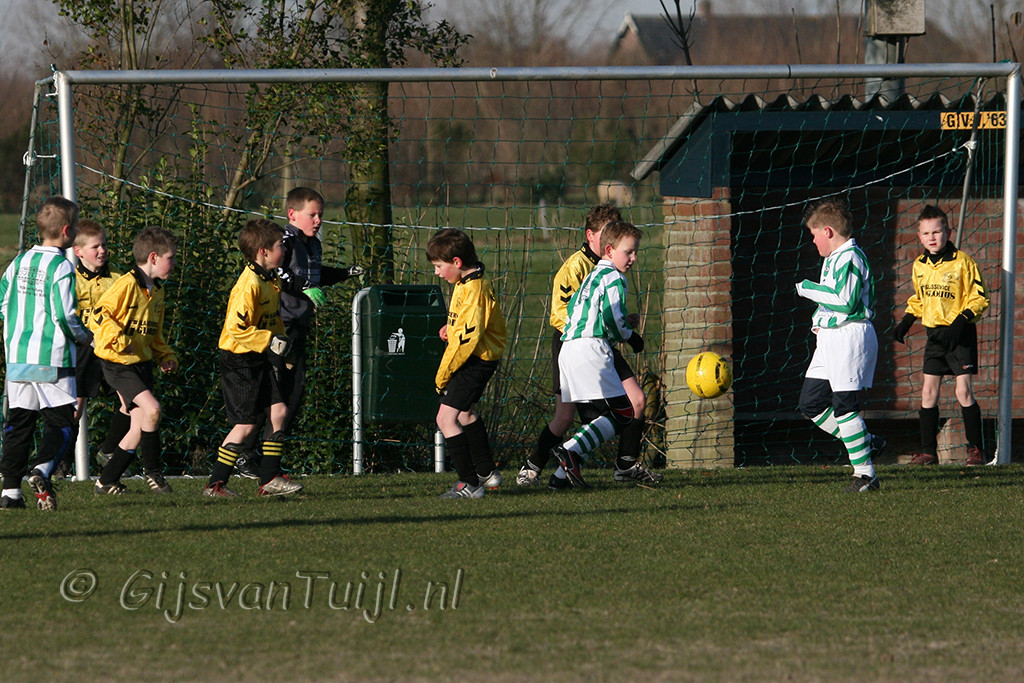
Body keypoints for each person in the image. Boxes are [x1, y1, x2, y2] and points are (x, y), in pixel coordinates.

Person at [516, 205, 659, 489]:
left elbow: (603, 310)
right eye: (607, 232)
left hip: (599, 341)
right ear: (593, 236)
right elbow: (561, 314)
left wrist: (617, 322)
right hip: (576, 341)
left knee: (635, 401)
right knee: (570, 416)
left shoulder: (608, 267)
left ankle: (624, 464)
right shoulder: (578, 268)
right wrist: (620, 330)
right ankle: (534, 468)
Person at [233, 187, 363, 479]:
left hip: (299, 327)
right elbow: (279, 273)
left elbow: (314, 275)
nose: (318, 220)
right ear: (292, 214)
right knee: (276, 394)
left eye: (321, 215)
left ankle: (264, 457)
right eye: (312, 214)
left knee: (292, 394)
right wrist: (303, 287)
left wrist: (344, 273)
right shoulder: (285, 242)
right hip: (279, 329)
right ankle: (247, 455)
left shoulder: (312, 244)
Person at [0, 196, 92, 510]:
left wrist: (16, 328)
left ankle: (10, 493)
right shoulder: (62, 266)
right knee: (64, 421)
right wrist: (84, 337)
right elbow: (64, 314)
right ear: (67, 231)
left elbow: (3, 301)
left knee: (19, 422)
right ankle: (42, 469)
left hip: (18, 356)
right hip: (51, 358)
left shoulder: (20, 261)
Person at [204, 219, 303, 498]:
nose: (284, 250)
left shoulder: (270, 279)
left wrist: (284, 348)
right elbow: (236, 329)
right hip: (239, 360)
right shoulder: (248, 285)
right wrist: (270, 341)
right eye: (279, 246)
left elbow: (272, 320)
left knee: (278, 412)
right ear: (263, 251)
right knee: (246, 425)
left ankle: (270, 479)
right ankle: (215, 484)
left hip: (258, 356)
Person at [545, 220, 646, 489]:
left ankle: (559, 478)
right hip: (590, 349)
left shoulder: (592, 276)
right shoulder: (615, 278)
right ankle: (570, 451)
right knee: (624, 413)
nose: (633, 258)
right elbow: (612, 318)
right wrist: (631, 337)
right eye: (628, 252)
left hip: (569, 349)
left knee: (604, 416)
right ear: (610, 250)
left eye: (635, 252)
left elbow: (580, 312)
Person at [795, 198, 885, 492]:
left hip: (849, 336)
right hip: (828, 338)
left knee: (845, 406)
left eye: (814, 234)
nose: (813, 241)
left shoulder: (850, 257)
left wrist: (808, 288)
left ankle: (866, 475)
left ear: (828, 231)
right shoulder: (833, 258)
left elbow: (845, 302)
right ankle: (867, 442)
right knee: (811, 403)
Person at [892, 205, 990, 466]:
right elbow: (920, 298)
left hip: (960, 336)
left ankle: (976, 450)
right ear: (919, 236)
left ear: (947, 232)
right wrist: (906, 322)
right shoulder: (920, 265)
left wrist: (961, 320)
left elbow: (980, 297)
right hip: (935, 337)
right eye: (926, 233)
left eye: (937, 231)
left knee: (963, 391)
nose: (932, 237)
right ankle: (928, 453)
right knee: (928, 393)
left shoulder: (963, 262)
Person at [92, 226, 178, 495]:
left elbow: (154, 333)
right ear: (153, 257)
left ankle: (106, 481)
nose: (174, 263)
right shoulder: (127, 284)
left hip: (140, 363)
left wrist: (165, 355)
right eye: (171, 258)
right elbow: (98, 315)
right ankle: (153, 471)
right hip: (119, 362)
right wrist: (119, 339)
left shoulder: (158, 290)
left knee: (140, 425)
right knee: (153, 410)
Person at [427, 228, 506, 499]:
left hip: (474, 360)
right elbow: (468, 324)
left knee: (444, 418)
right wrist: (450, 328)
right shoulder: (468, 283)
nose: (437, 272)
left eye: (439, 266)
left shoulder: (474, 289)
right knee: (463, 413)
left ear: (457, 262)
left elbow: (466, 341)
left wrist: (442, 375)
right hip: (478, 357)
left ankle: (469, 484)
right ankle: (487, 472)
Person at [57, 219, 129, 478]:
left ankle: (108, 451)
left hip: (112, 349)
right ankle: (61, 463)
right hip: (82, 349)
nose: (102, 251)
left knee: (132, 402)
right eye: (95, 247)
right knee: (75, 408)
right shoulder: (69, 279)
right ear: (78, 251)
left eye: (104, 245)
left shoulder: (120, 279)